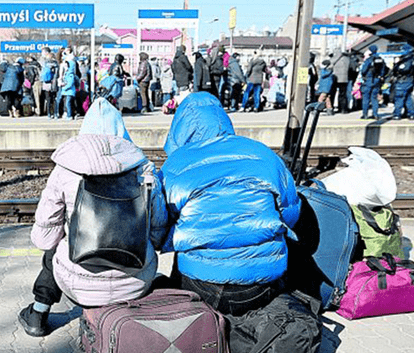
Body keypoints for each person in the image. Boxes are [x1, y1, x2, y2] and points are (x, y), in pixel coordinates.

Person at [18, 97, 168, 337]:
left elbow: (43, 239)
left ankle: (38, 314)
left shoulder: (65, 169)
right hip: (135, 282)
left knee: (55, 246)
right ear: (122, 130)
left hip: (78, 284)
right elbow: (159, 235)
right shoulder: (145, 169)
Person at [158, 92, 301, 316]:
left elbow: (161, 223)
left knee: (186, 238)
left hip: (200, 284)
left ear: (179, 128)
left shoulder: (174, 164)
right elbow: (291, 212)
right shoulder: (263, 154)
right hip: (261, 285)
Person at [360, 45, 386, 119]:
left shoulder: (369, 60)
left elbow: (363, 70)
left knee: (366, 98)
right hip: (377, 80)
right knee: (374, 98)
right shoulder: (381, 59)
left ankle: (365, 114)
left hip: (368, 80)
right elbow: (383, 70)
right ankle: (375, 114)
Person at [391, 45, 414, 120]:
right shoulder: (411, 58)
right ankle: (411, 114)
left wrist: (396, 64)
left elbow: (402, 69)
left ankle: (397, 114)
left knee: (399, 98)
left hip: (403, 81)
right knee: (408, 98)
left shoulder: (407, 60)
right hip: (409, 80)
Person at [56, 50, 78, 120]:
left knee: (68, 103)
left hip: (69, 91)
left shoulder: (70, 75)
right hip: (67, 91)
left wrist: (64, 87)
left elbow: (70, 83)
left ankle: (69, 115)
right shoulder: (67, 74)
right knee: (66, 103)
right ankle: (68, 114)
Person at [41, 53, 59, 119]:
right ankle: (55, 113)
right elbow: (58, 75)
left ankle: (49, 114)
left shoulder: (45, 64)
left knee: (48, 99)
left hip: (46, 84)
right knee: (54, 99)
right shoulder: (56, 64)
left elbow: (42, 74)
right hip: (54, 83)